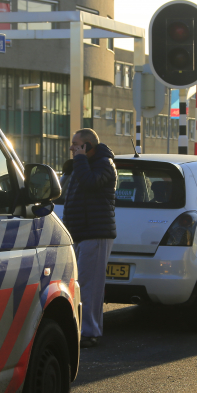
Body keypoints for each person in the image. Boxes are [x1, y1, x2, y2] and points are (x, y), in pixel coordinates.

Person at [62, 128, 117, 348]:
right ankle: (80, 329)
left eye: (76, 145)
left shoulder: (105, 164)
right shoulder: (80, 166)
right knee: (77, 284)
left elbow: (90, 183)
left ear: (87, 147)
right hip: (79, 232)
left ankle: (90, 331)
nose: (72, 148)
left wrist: (80, 160)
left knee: (90, 286)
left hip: (96, 233)